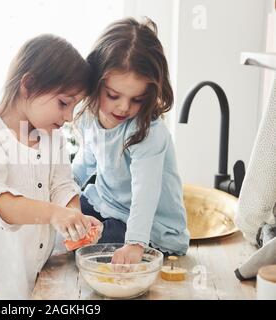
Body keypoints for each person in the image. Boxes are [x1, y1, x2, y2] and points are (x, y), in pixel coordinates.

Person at [0, 34, 102, 300]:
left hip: (32, 279)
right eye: (64, 103)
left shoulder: (52, 138)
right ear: (28, 85)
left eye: (74, 107)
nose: (69, 117)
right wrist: (54, 214)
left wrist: (75, 220)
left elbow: (61, 184)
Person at [72, 17, 190, 265]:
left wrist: (135, 243)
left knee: (94, 244)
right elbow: (84, 166)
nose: (124, 107)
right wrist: (62, 198)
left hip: (151, 225)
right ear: (96, 82)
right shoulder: (91, 117)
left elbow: (144, 194)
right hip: (106, 203)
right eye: (113, 95)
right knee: (64, 222)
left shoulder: (147, 132)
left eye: (137, 99)